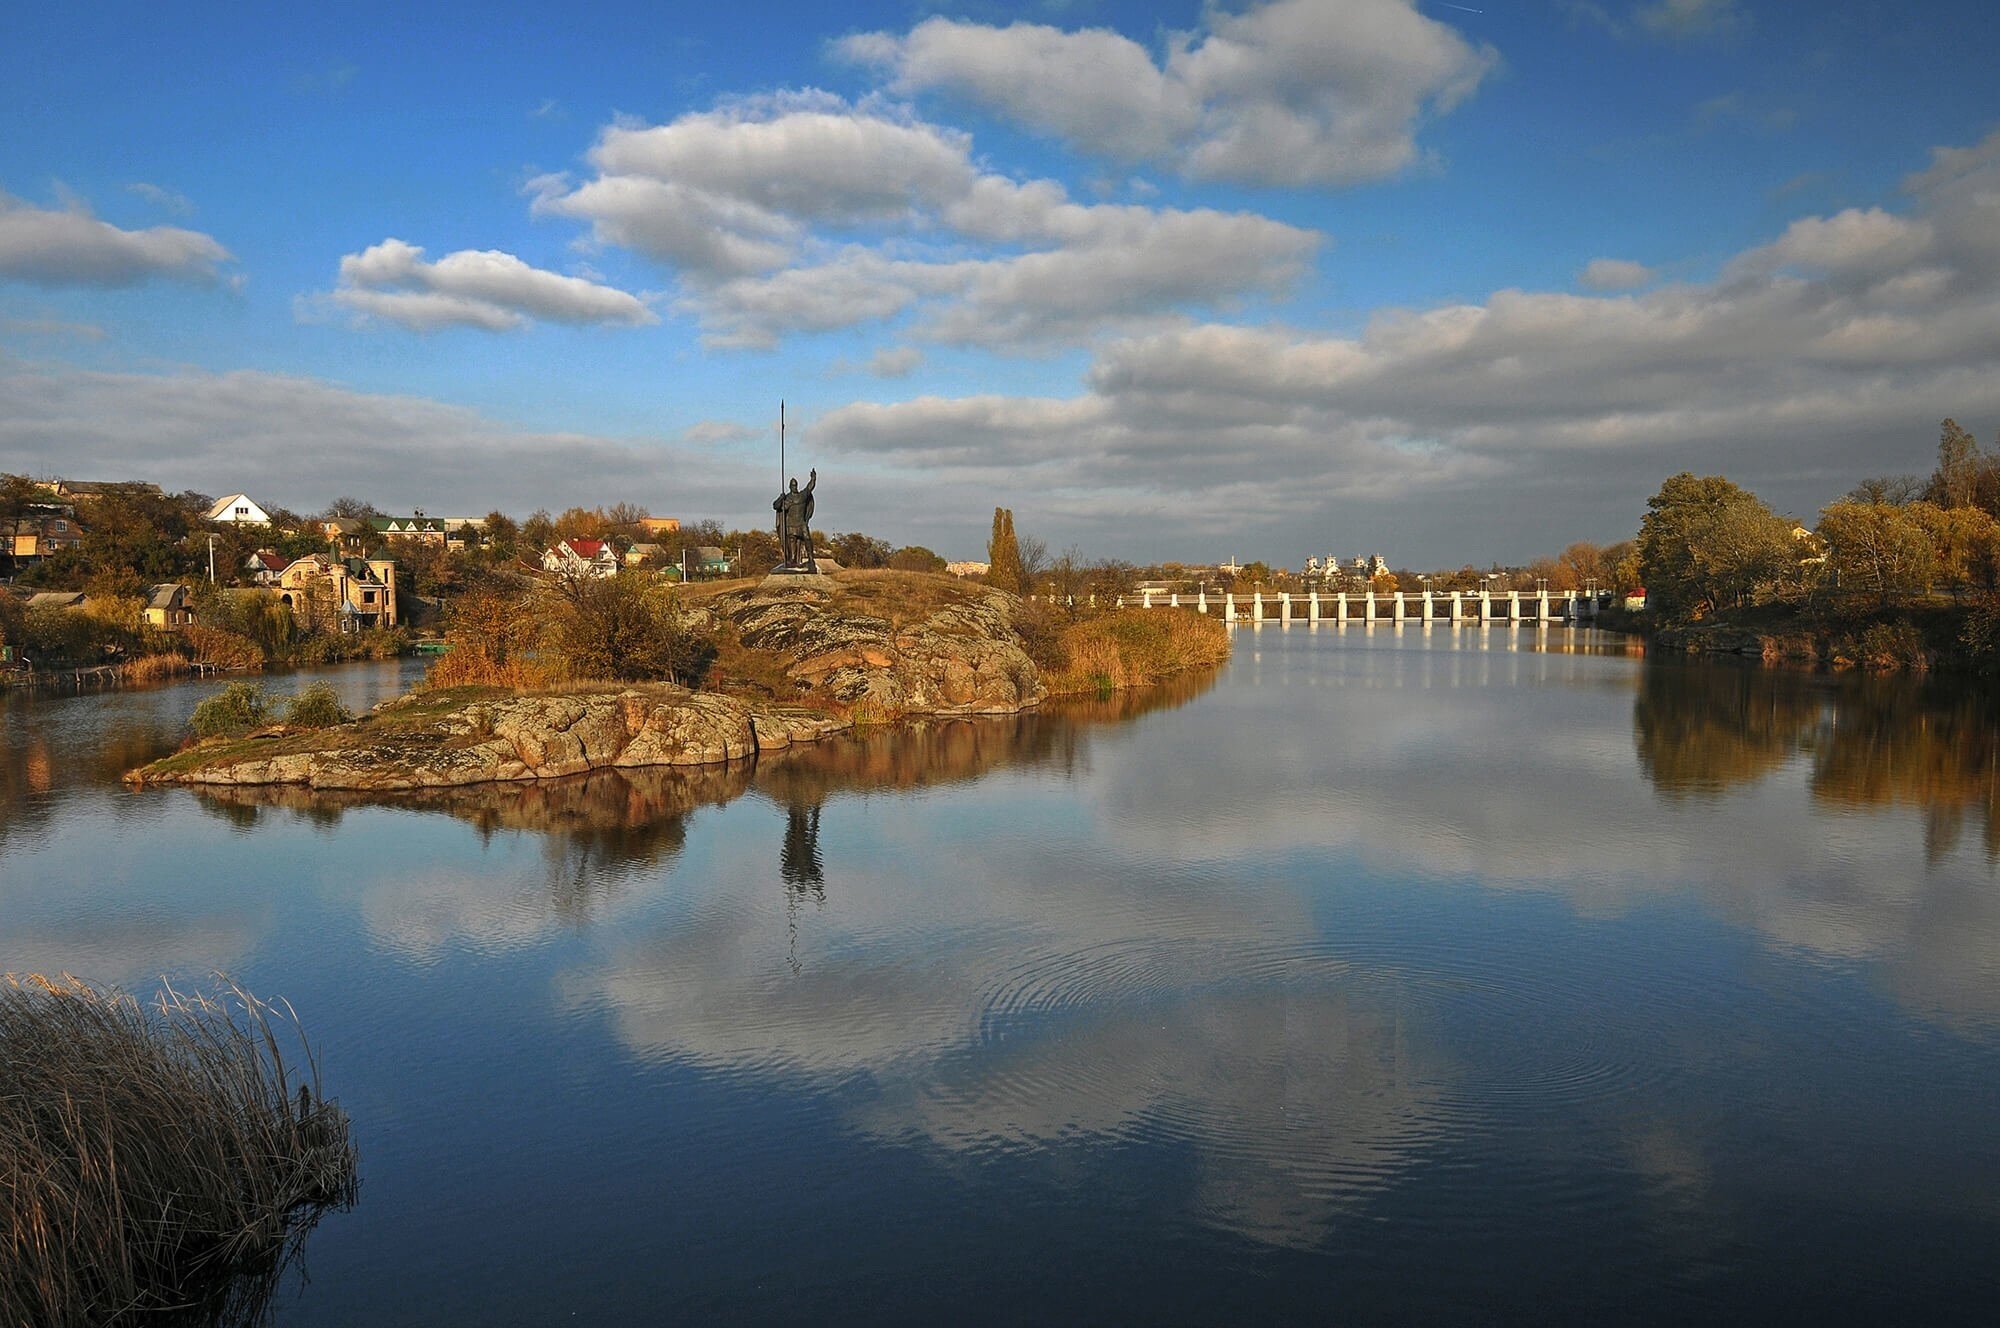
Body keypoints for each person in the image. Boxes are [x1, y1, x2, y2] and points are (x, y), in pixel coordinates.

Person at [773, 468, 817, 571]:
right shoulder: (787, 498)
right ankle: (792, 561)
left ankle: (811, 559)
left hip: (801, 523)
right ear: (789, 487)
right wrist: (780, 498)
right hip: (790, 524)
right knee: (791, 542)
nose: (794, 487)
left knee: (807, 538)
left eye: (795, 485)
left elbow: (810, 487)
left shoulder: (802, 495)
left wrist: (813, 478)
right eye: (792, 485)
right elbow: (776, 506)